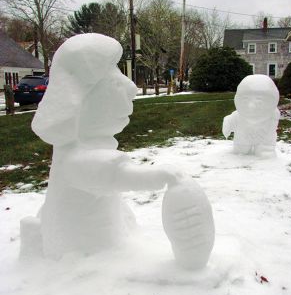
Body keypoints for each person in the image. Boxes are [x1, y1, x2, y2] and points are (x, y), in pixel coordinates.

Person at [20, 33, 214, 269]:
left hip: (102, 247)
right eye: (114, 84)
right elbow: (114, 175)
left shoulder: (85, 149)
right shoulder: (75, 159)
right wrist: (161, 176)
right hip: (81, 261)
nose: (131, 89)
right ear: (81, 104)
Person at [222, 74, 280, 157]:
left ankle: (264, 148)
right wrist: (228, 123)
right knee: (242, 149)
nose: (251, 106)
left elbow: (272, 128)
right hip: (243, 138)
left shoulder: (273, 114)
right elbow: (231, 119)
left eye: (259, 101)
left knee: (265, 151)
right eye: (246, 99)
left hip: (264, 139)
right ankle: (242, 148)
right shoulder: (239, 115)